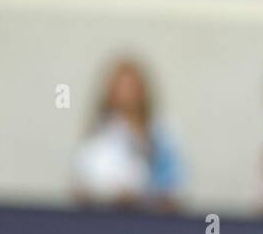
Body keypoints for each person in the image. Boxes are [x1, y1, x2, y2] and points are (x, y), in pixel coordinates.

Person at [72, 57, 184, 211]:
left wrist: (142, 197)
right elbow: (82, 182)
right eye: (120, 86)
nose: (126, 94)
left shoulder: (161, 134)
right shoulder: (100, 134)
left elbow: (173, 185)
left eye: (131, 87)